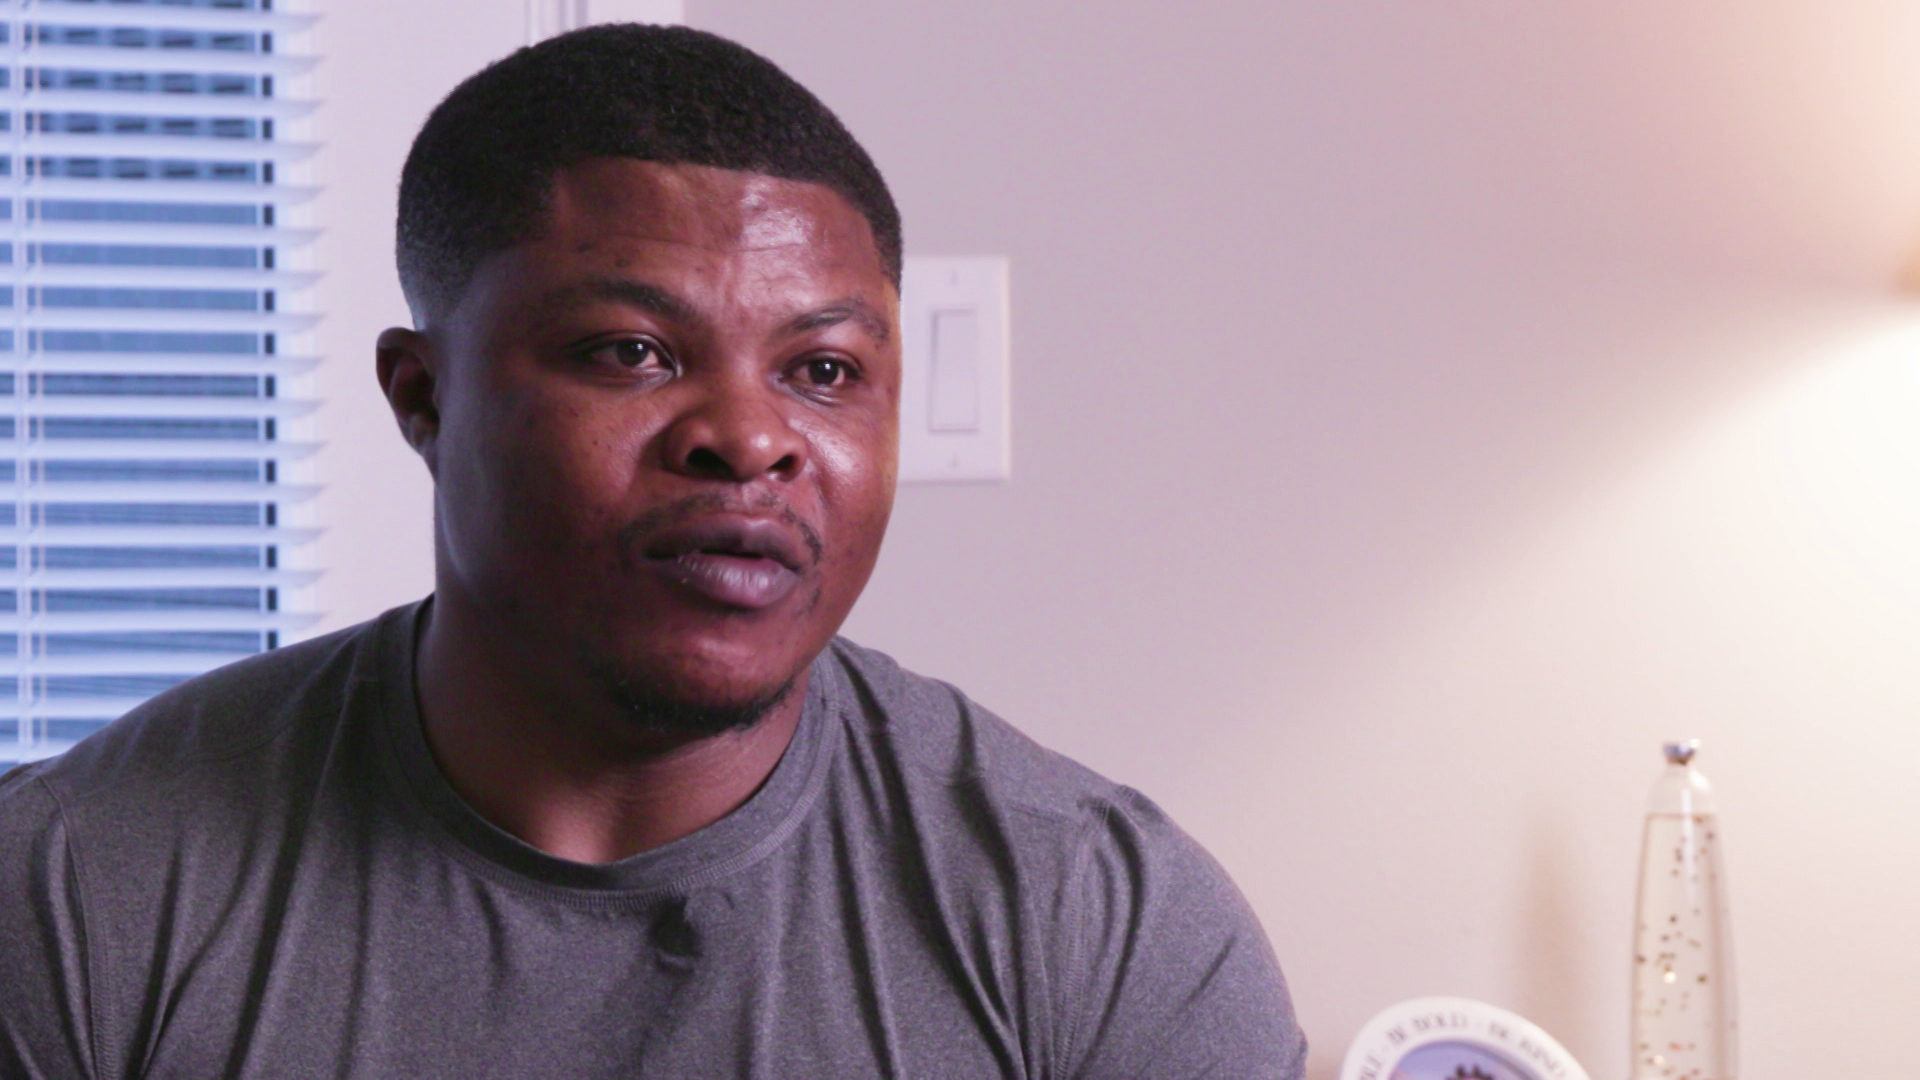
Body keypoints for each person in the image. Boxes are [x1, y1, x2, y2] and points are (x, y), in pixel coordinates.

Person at [0, 24, 1307, 1079]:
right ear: (422, 396)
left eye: (825, 369)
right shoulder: (79, 899)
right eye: (630, 351)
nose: (750, 436)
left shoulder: (1101, 924)